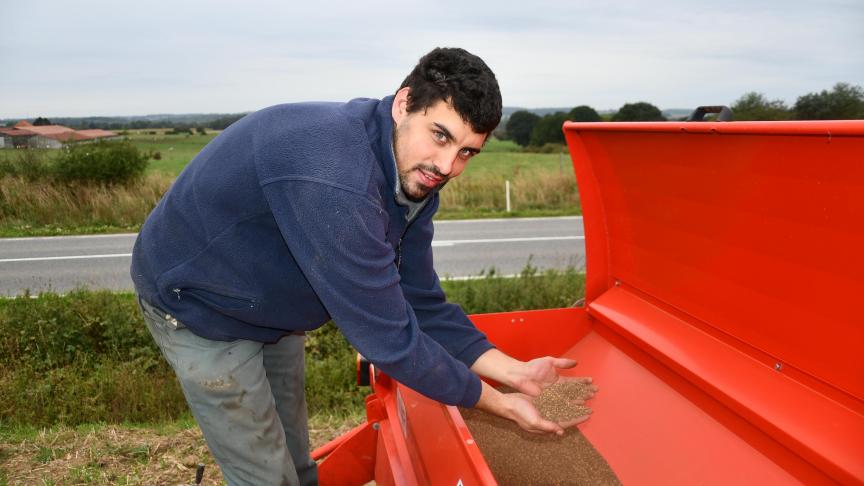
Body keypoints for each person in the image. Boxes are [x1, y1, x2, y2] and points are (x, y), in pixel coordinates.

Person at [131, 47, 594, 486]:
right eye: (441, 136)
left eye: (467, 152)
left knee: (296, 462)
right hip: (198, 302)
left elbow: (422, 303)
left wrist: (515, 372)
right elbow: (389, 338)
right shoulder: (337, 178)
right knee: (266, 476)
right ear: (404, 104)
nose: (448, 166)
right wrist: (500, 403)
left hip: (267, 304)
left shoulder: (411, 174)